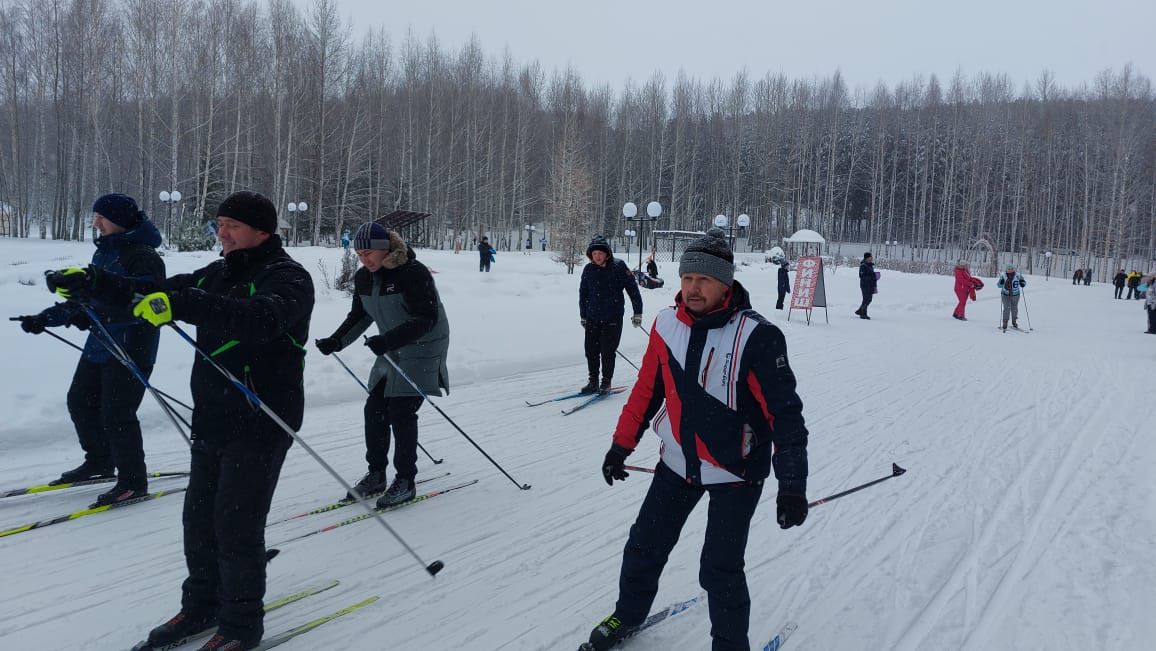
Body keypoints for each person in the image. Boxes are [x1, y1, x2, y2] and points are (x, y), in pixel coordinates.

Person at [49, 191, 314, 651]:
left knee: (236, 526)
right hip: (212, 417)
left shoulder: (288, 276)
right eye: (219, 224)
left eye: (232, 224)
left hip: (262, 419)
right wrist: (93, 282)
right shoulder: (218, 272)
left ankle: (241, 625)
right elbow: (156, 292)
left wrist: (187, 304)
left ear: (263, 231)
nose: (223, 233)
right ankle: (201, 606)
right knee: (199, 521)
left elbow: (262, 318)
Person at [587, 232, 808, 651]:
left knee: (719, 570)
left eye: (703, 280)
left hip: (735, 473)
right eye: (687, 277)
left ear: (725, 284)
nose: (692, 288)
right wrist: (620, 446)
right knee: (643, 546)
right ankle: (628, 615)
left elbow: (786, 418)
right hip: (677, 463)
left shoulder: (757, 336)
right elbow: (646, 390)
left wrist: (792, 485)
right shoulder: (667, 324)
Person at [16, 193, 164, 506]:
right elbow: (86, 298)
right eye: (96, 216)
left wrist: (104, 302)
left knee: (117, 414)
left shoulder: (144, 255)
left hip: (131, 347)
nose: (96, 223)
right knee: (80, 401)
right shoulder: (104, 253)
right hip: (100, 344)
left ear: (121, 221)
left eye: (102, 217)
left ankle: (133, 482)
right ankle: (99, 461)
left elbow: (146, 299)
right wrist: (45, 318)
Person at [315, 222, 449, 506]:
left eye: (368, 254)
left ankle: (406, 480)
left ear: (384, 248)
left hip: (423, 346)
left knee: (401, 409)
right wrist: (336, 341)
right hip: (392, 345)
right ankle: (376, 474)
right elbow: (359, 317)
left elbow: (426, 319)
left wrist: (388, 340)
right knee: (374, 408)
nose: (364, 260)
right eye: (360, 255)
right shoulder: (364, 277)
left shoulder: (413, 272)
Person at [579, 236, 643, 394]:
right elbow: (583, 294)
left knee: (607, 351)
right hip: (593, 317)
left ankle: (606, 382)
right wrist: (583, 315)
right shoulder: (588, 270)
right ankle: (593, 381)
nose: (597, 256)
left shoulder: (619, 267)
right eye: (594, 253)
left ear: (607, 254)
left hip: (612, 318)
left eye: (600, 253)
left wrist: (638, 312)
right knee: (591, 351)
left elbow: (632, 290)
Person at [997, 264, 1027, 330]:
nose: (1010, 270)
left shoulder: (1018, 275)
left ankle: (1014, 322)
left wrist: (1022, 283)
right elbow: (998, 285)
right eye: (1009, 269)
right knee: (1006, 308)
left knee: (1014, 308)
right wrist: (1001, 282)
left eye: (1011, 268)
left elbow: (1024, 283)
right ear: (1006, 269)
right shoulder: (1003, 275)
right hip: (1005, 295)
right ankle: (1005, 322)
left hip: (1016, 295)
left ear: (1014, 269)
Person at [855, 252, 876, 319]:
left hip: (871, 285)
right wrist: (871, 277)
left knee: (869, 299)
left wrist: (875, 276)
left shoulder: (870, 265)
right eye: (870, 257)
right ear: (866, 258)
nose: (871, 258)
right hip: (865, 285)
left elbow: (871, 274)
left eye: (871, 257)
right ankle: (863, 314)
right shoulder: (863, 266)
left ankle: (859, 311)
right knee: (866, 299)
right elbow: (861, 276)